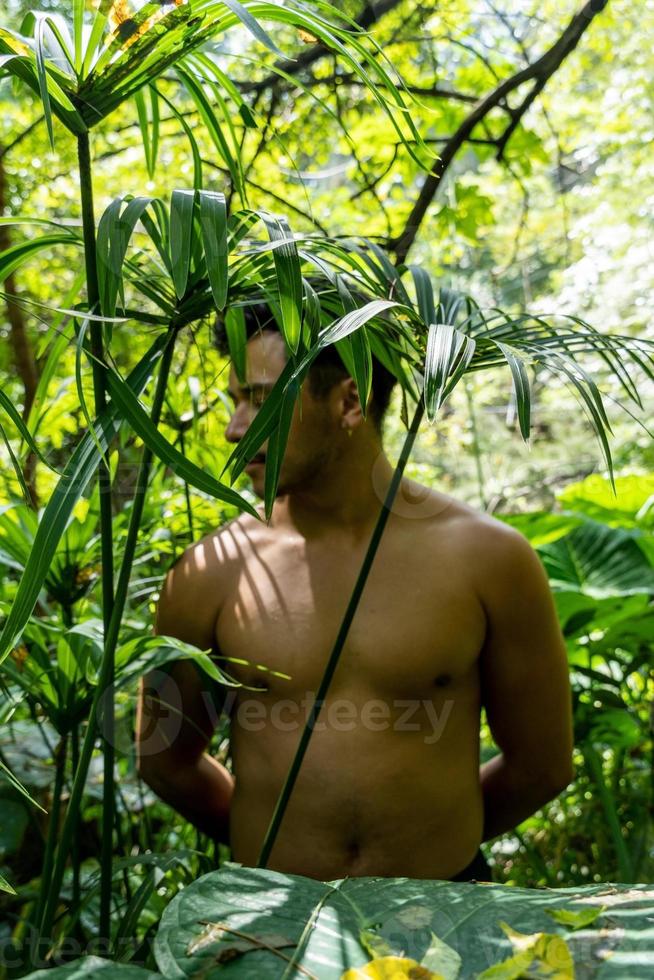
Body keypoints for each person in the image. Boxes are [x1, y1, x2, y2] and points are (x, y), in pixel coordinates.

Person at [135, 298, 574, 882]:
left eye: (262, 401)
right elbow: (166, 763)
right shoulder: (209, 572)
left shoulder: (489, 559)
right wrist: (270, 854)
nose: (235, 428)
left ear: (348, 401)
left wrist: (437, 857)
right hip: (275, 921)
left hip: (444, 916)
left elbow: (542, 765)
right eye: (236, 402)